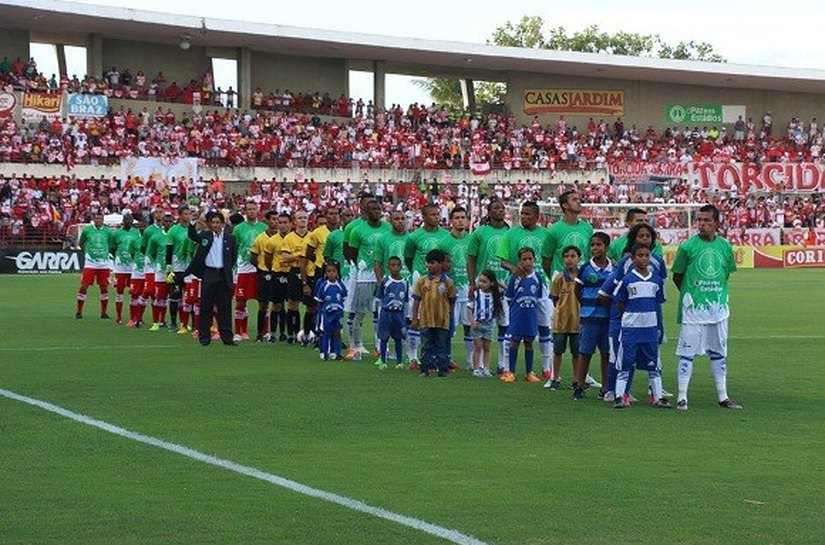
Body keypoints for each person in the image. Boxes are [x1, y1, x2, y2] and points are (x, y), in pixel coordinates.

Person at [672, 204, 742, 411]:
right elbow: (677, 276)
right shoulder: (687, 247)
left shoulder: (725, 246)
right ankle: (682, 397)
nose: (701, 224)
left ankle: (723, 396)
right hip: (694, 310)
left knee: (719, 353)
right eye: (699, 220)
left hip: (718, 310)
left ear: (716, 223)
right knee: (687, 353)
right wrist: (692, 296)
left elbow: (725, 274)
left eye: (706, 221)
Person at [498, 201, 552, 379]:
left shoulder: (546, 234)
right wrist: (514, 269)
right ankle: (508, 368)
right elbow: (502, 260)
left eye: (528, 214)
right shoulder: (511, 233)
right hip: (518, 287)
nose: (524, 217)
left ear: (537, 217)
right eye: (522, 213)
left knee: (544, 328)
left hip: (541, 286)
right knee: (511, 332)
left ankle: (545, 368)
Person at [613, 244, 671, 409]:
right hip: (631, 328)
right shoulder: (627, 280)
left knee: (654, 364)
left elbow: (657, 303)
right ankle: (619, 397)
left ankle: (658, 397)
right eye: (640, 255)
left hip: (650, 329)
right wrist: (632, 317)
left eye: (646, 255)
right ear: (633, 258)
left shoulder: (656, 280)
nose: (644, 258)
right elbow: (620, 303)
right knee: (625, 362)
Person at [404, 203, 452, 367]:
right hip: (421, 278)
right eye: (432, 215)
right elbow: (408, 258)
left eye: (437, 214)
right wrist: (418, 274)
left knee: (438, 317)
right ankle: (413, 356)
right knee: (416, 316)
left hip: (440, 281)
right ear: (424, 217)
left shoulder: (446, 235)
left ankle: (438, 357)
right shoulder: (414, 237)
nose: (436, 217)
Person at [467, 199, 510, 373]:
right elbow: (471, 258)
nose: (500, 211)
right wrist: (472, 283)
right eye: (496, 208)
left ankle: (502, 363)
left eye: (502, 208)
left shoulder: (511, 232)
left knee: (504, 325)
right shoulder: (480, 232)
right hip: (484, 286)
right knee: (480, 322)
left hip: (504, 284)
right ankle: (475, 363)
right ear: (489, 212)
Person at [344, 199, 390, 360]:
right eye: (373, 209)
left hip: (384, 277)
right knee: (360, 312)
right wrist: (362, 267)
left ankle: (382, 347)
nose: (377, 211)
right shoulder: (357, 230)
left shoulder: (387, 227)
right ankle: (356, 346)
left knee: (383, 312)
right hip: (364, 277)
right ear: (366, 212)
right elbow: (351, 254)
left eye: (379, 208)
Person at [186, 211, 238, 346]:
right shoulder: (205, 236)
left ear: (222, 224)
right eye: (213, 222)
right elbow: (192, 236)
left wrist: (226, 269)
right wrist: (192, 223)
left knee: (225, 308)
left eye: (218, 222)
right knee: (205, 307)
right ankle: (204, 338)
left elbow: (233, 257)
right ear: (209, 224)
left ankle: (227, 337)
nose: (216, 225)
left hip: (223, 274)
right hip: (209, 274)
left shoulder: (230, 238)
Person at [573, 232, 613, 399]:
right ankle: (580, 385)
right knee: (585, 352)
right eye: (592, 245)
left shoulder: (614, 268)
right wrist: (587, 303)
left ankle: (605, 388)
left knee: (606, 353)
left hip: (607, 317)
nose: (595, 248)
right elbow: (577, 289)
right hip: (589, 318)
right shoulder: (585, 268)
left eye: (599, 245)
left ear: (606, 247)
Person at [373, 210, 411, 365]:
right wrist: (380, 281)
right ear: (390, 220)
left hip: (407, 282)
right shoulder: (383, 239)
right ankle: (382, 353)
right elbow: (377, 262)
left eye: (403, 219)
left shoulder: (411, 238)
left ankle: (409, 355)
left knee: (407, 320)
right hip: (389, 286)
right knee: (383, 320)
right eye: (396, 219)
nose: (400, 221)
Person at [502, 247, 544, 383]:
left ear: (534, 260)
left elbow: (539, 297)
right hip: (517, 315)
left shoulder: (538, 278)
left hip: (530, 316)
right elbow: (508, 297)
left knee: (529, 343)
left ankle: (529, 372)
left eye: (530, 259)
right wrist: (516, 309)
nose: (527, 262)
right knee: (514, 342)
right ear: (519, 261)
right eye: (524, 259)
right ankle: (511, 372)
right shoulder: (515, 278)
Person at [412, 249, 456, 378]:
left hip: (442, 320)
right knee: (426, 346)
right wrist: (415, 317)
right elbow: (416, 301)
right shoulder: (422, 281)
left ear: (441, 264)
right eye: (428, 263)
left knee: (441, 346)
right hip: (426, 319)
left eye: (433, 263)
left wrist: (449, 314)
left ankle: (443, 370)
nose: (430, 265)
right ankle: (424, 370)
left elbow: (452, 300)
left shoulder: (448, 282)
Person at [548, 246, 581, 390]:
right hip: (561, 321)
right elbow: (555, 298)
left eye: (573, 256)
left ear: (579, 258)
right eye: (566, 256)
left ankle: (577, 378)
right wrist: (562, 310)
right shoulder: (559, 277)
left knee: (577, 352)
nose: (569, 259)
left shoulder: (583, 277)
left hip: (578, 321)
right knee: (558, 351)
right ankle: (555, 377)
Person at [232, 202, 267, 340]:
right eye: (249, 209)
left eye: (254, 209)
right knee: (241, 301)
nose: (251, 211)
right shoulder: (238, 228)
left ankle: (264, 332)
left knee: (263, 301)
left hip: (260, 269)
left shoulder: (264, 227)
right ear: (245, 211)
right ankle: (239, 332)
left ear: (257, 210)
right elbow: (233, 249)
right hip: (243, 269)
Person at [445, 207, 473, 369]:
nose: (460, 220)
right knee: (449, 329)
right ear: (451, 221)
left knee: (470, 327)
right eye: (457, 217)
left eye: (463, 217)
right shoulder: (445, 241)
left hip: (469, 290)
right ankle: (447, 359)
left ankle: (470, 361)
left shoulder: (472, 240)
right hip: (452, 293)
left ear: (467, 220)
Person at [75, 212, 113, 320]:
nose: (98, 220)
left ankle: (103, 313)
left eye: (100, 218)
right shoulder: (87, 230)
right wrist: (87, 253)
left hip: (104, 264)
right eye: (96, 218)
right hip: (90, 263)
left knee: (104, 287)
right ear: (93, 220)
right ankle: (79, 312)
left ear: (103, 220)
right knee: (83, 286)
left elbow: (110, 244)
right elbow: (81, 243)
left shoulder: (108, 232)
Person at [262, 213, 293, 341]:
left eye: (285, 222)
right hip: (277, 273)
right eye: (280, 222)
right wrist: (274, 270)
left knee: (292, 305)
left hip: (292, 273)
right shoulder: (272, 241)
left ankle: (291, 333)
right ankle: (274, 333)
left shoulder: (294, 238)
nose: (283, 225)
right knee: (277, 305)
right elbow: (267, 259)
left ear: (290, 224)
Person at [374, 256, 409, 370]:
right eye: (392, 265)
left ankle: (399, 362)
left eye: (397, 265)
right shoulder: (385, 281)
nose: (395, 268)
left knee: (398, 338)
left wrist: (406, 316)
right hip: (386, 313)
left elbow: (406, 301)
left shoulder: (404, 282)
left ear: (401, 267)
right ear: (388, 267)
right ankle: (383, 361)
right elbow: (379, 298)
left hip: (398, 314)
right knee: (384, 338)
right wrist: (380, 313)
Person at [467, 270, 504, 378]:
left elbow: (507, 289)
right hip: (477, 324)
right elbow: (469, 308)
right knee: (477, 347)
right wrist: (472, 322)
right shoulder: (476, 293)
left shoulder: (495, 294)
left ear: (491, 283)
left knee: (487, 348)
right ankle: (476, 369)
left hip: (489, 325)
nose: (481, 284)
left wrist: (498, 282)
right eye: (480, 281)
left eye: (484, 281)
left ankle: (486, 369)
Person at [250, 210, 279, 342]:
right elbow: (253, 257)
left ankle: (275, 333)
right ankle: (260, 333)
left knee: (278, 304)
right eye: (272, 219)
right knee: (263, 304)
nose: (275, 222)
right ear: (266, 221)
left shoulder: (283, 237)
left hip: (279, 272)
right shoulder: (261, 238)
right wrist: (262, 268)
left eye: (277, 219)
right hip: (264, 273)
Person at [283, 210, 311, 345]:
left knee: (311, 305)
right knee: (293, 303)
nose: (302, 220)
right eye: (300, 218)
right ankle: (291, 333)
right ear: (295, 221)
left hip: (309, 272)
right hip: (294, 271)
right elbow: (285, 257)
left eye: (305, 217)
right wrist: (299, 256)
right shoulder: (289, 238)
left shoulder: (312, 236)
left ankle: (308, 333)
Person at [164, 205, 194, 333]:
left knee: (190, 298)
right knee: (175, 296)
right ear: (180, 215)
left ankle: (189, 323)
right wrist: (169, 267)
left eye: (189, 214)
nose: (187, 216)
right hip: (176, 268)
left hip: (190, 268)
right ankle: (173, 322)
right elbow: (169, 249)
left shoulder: (193, 230)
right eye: (185, 214)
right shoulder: (173, 230)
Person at [110, 212, 140, 325]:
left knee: (134, 293)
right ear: (124, 221)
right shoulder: (116, 233)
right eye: (127, 220)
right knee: (119, 292)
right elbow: (112, 248)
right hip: (120, 268)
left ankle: (134, 317)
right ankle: (119, 317)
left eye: (131, 220)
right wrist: (118, 258)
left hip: (133, 267)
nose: (129, 222)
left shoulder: (136, 233)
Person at [145, 213, 174, 332]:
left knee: (175, 298)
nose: (167, 223)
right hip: (160, 271)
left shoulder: (175, 234)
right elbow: (150, 252)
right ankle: (156, 322)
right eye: (165, 221)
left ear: (173, 222)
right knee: (159, 297)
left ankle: (172, 322)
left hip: (174, 270)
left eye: (169, 221)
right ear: (162, 223)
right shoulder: (155, 236)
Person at [314, 261, 347, 360]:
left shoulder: (340, 285)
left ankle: (338, 353)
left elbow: (344, 298)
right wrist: (322, 312)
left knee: (337, 333)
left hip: (338, 314)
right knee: (325, 333)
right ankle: (324, 352)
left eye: (333, 271)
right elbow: (319, 300)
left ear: (337, 272)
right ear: (325, 273)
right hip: (327, 314)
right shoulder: (323, 285)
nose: (331, 273)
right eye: (328, 271)